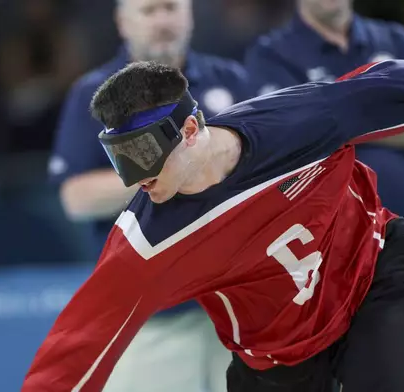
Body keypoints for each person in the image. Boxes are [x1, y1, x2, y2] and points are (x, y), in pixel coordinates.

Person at [22, 59, 404, 392]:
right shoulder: (151, 239)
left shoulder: (297, 121)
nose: (134, 178)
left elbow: (392, 82)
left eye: (143, 152)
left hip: (375, 274)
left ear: (190, 130)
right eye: (120, 159)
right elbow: (79, 344)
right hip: (278, 353)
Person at [47, 0, 252, 390]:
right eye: (149, 11)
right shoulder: (93, 93)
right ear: (123, 23)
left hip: (236, 307)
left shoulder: (234, 79)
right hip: (151, 317)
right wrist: (174, 170)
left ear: (190, 14)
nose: (162, 21)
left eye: (171, 8)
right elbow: (77, 197)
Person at [245, 0, 404, 222]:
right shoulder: (271, 56)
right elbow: (296, 137)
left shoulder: (396, 39)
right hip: (333, 236)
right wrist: (394, 112)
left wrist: (338, 116)